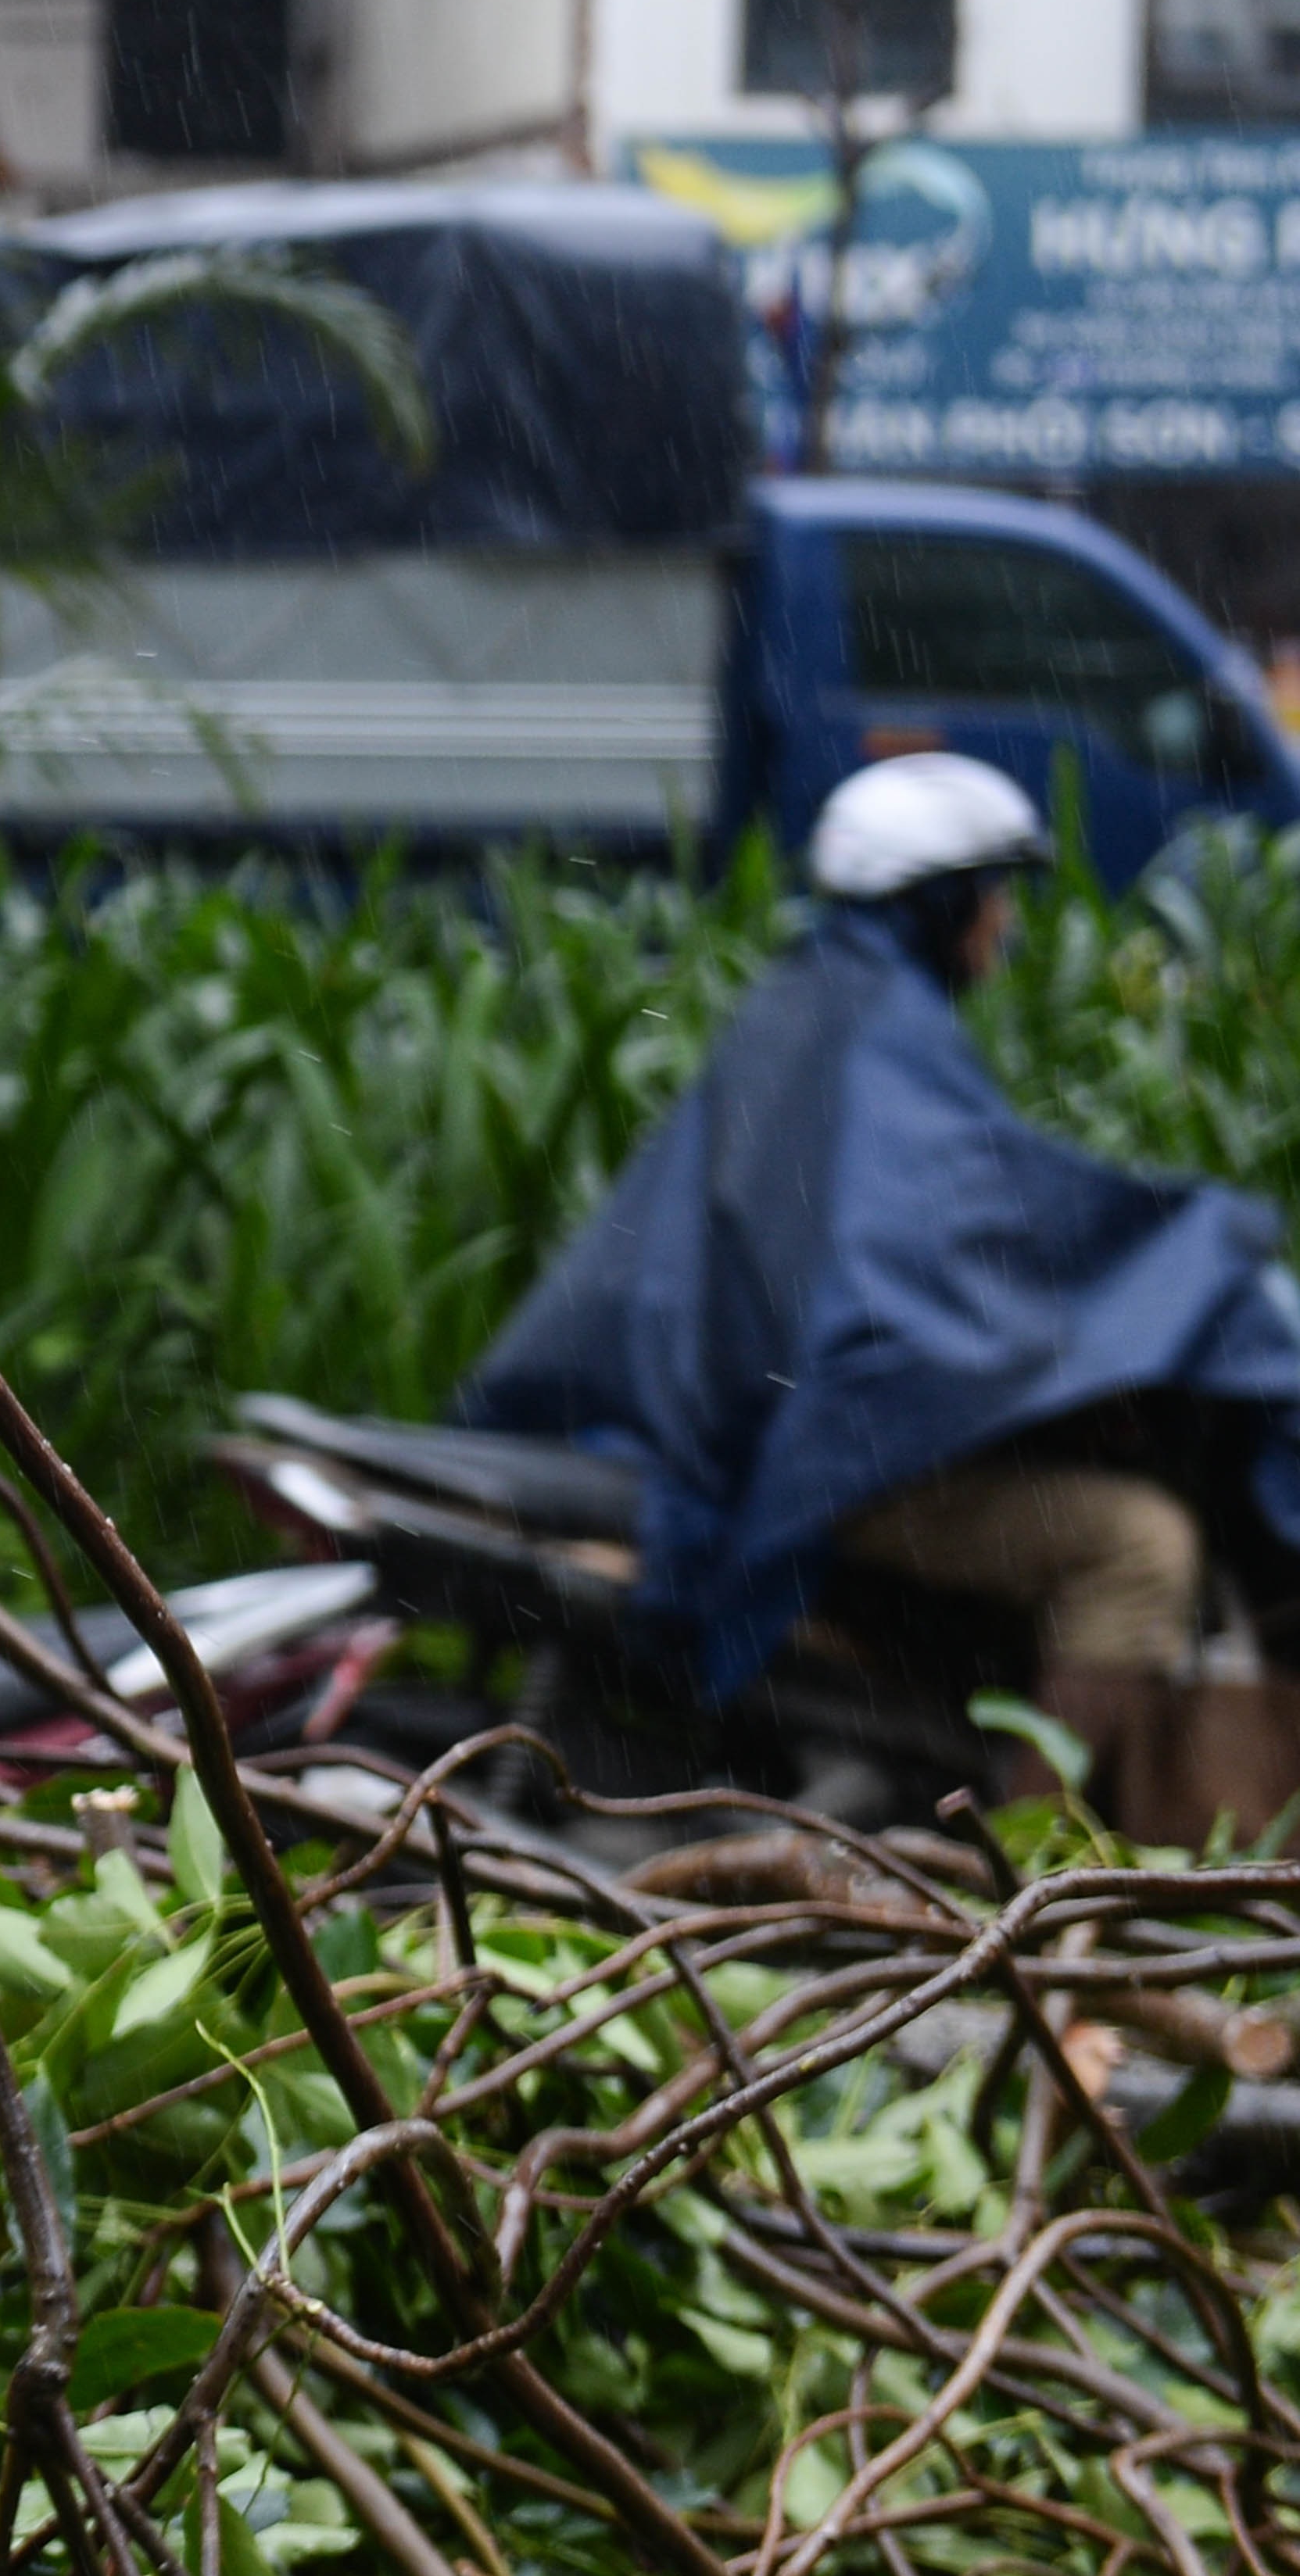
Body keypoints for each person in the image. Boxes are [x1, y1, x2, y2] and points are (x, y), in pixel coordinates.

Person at [460, 753, 1300, 1822]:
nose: (1005, 924)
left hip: (762, 1424)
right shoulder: (881, 1034)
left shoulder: (819, 1005)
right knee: (1141, 1546)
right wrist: (1179, 1262)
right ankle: (1015, 1866)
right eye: (993, 896)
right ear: (941, 900)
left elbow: (931, 1239)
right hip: (825, 1456)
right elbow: (952, 1248)